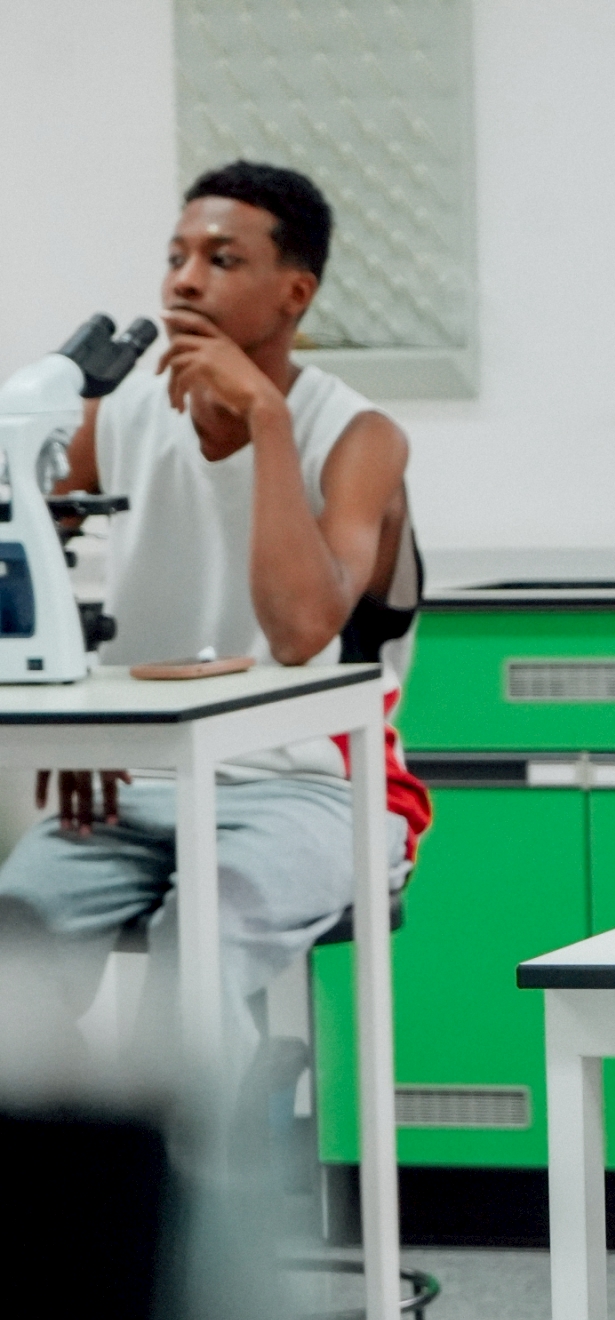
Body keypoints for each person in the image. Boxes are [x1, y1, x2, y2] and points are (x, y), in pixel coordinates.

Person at [0, 161, 432, 1065]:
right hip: (136, 786)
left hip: (314, 791)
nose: (185, 282)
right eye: (176, 257)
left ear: (295, 293)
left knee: (195, 951)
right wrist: (86, 732)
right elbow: (24, 554)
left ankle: (208, 1143)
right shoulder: (115, 417)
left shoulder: (358, 436)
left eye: (222, 259)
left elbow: (300, 631)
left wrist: (267, 421)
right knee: (15, 950)